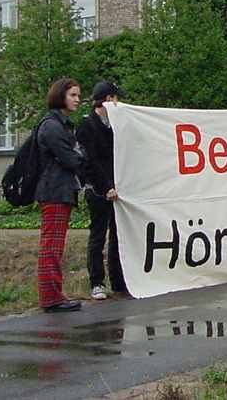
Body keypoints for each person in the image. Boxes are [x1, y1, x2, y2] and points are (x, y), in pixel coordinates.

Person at [36, 78, 85, 313]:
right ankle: (51, 297)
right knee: (51, 246)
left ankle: (54, 294)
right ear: (61, 96)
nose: (78, 100)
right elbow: (71, 158)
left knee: (55, 245)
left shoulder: (61, 125)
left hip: (60, 189)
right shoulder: (52, 126)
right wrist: (80, 156)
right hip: (54, 190)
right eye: (73, 95)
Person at [77, 81, 127, 301]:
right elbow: (91, 161)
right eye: (116, 98)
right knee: (98, 235)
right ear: (107, 100)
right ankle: (97, 282)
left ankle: (118, 280)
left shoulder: (115, 126)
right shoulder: (86, 126)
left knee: (118, 235)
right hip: (98, 190)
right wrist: (106, 186)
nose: (118, 103)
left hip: (117, 188)